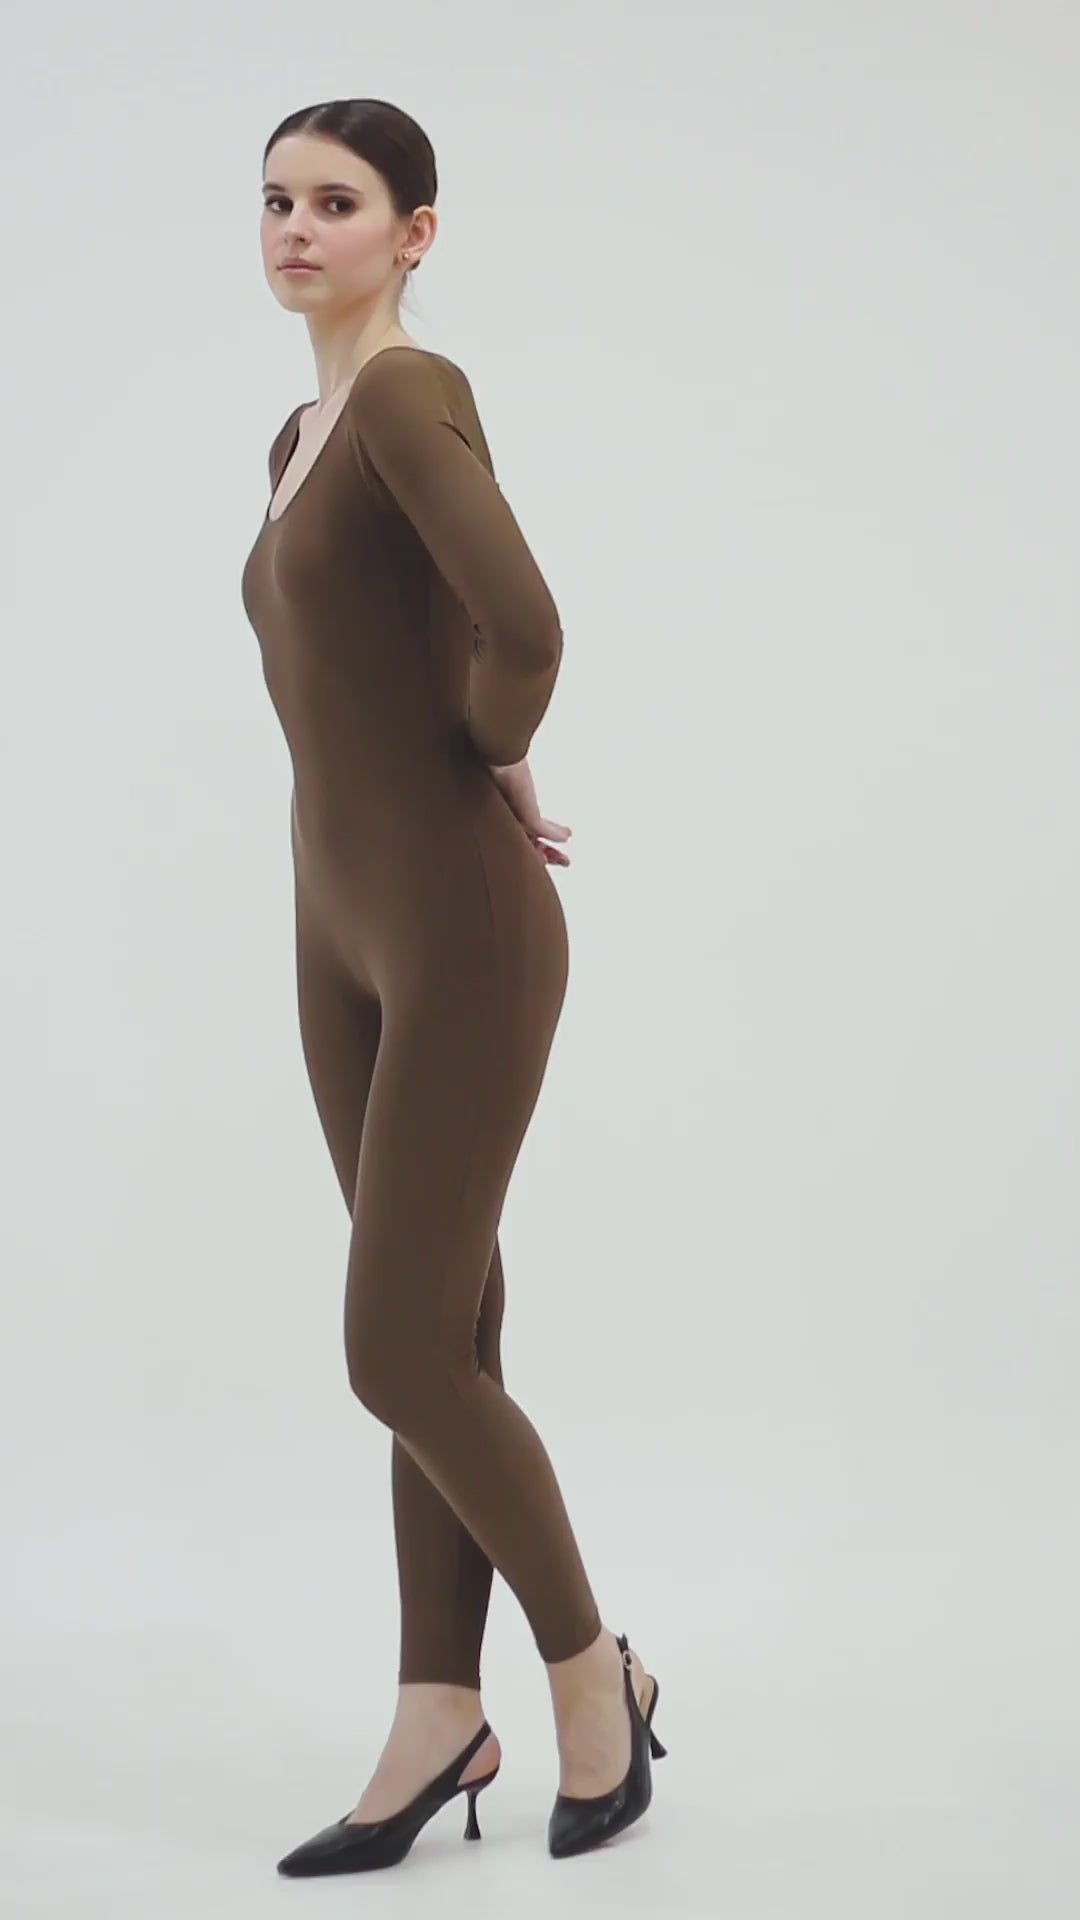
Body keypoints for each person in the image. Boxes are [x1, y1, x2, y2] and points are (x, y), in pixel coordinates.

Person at [240, 97, 666, 1869]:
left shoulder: (410, 394)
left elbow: (528, 628)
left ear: (414, 233)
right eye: (276, 199)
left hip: (459, 926)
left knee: (396, 1347)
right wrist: (473, 737)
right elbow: (385, 648)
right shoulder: (297, 434)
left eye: (337, 202)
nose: (297, 227)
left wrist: (492, 752)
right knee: (445, 1338)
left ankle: (588, 1675)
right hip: (336, 924)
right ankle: (438, 1709)